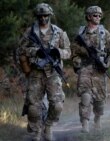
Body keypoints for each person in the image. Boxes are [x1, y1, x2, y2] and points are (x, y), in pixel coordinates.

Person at [17, 3, 71, 141]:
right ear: (37, 16)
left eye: (46, 15)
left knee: (57, 105)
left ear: (50, 16)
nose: (43, 18)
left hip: (53, 73)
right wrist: (36, 51)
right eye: (40, 16)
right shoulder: (30, 32)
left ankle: (48, 126)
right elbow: (21, 51)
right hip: (36, 73)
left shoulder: (59, 32)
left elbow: (68, 52)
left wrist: (58, 52)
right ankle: (36, 131)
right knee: (33, 108)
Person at [71, 6, 110, 133]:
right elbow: (73, 51)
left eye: (99, 16)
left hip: (100, 70)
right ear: (89, 17)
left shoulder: (105, 34)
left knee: (99, 101)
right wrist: (79, 60)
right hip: (85, 68)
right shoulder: (81, 34)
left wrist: (107, 64)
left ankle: (97, 119)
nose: (98, 18)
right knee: (85, 97)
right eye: (95, 15)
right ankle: (85, 124)